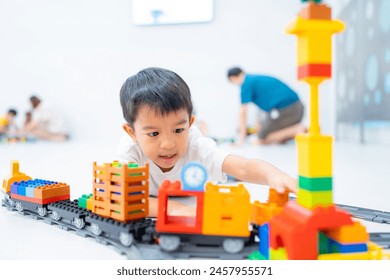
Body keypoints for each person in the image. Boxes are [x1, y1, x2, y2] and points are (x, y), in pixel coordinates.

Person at [116, 67, 298, 217]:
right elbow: (127, 199)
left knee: (226, 173)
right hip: (170, 192)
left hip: (195, 177)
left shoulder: (195, 142)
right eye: (154, 133)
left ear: (190, 123)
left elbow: (242, 166)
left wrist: (274, 175)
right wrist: (176, 209)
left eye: (179, 130)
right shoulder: (130, 152)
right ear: (131, 132)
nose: (168, 144)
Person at [227, 67, 306, 145]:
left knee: (261, 139)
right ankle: (293, 131)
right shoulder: (254, 79)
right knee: (264, 135)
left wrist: (241, 138)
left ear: (233, 78)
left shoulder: (246, 83)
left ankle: (296, 130)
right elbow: (261, 111)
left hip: (288, 110)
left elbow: (243, 113)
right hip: (295, 108)